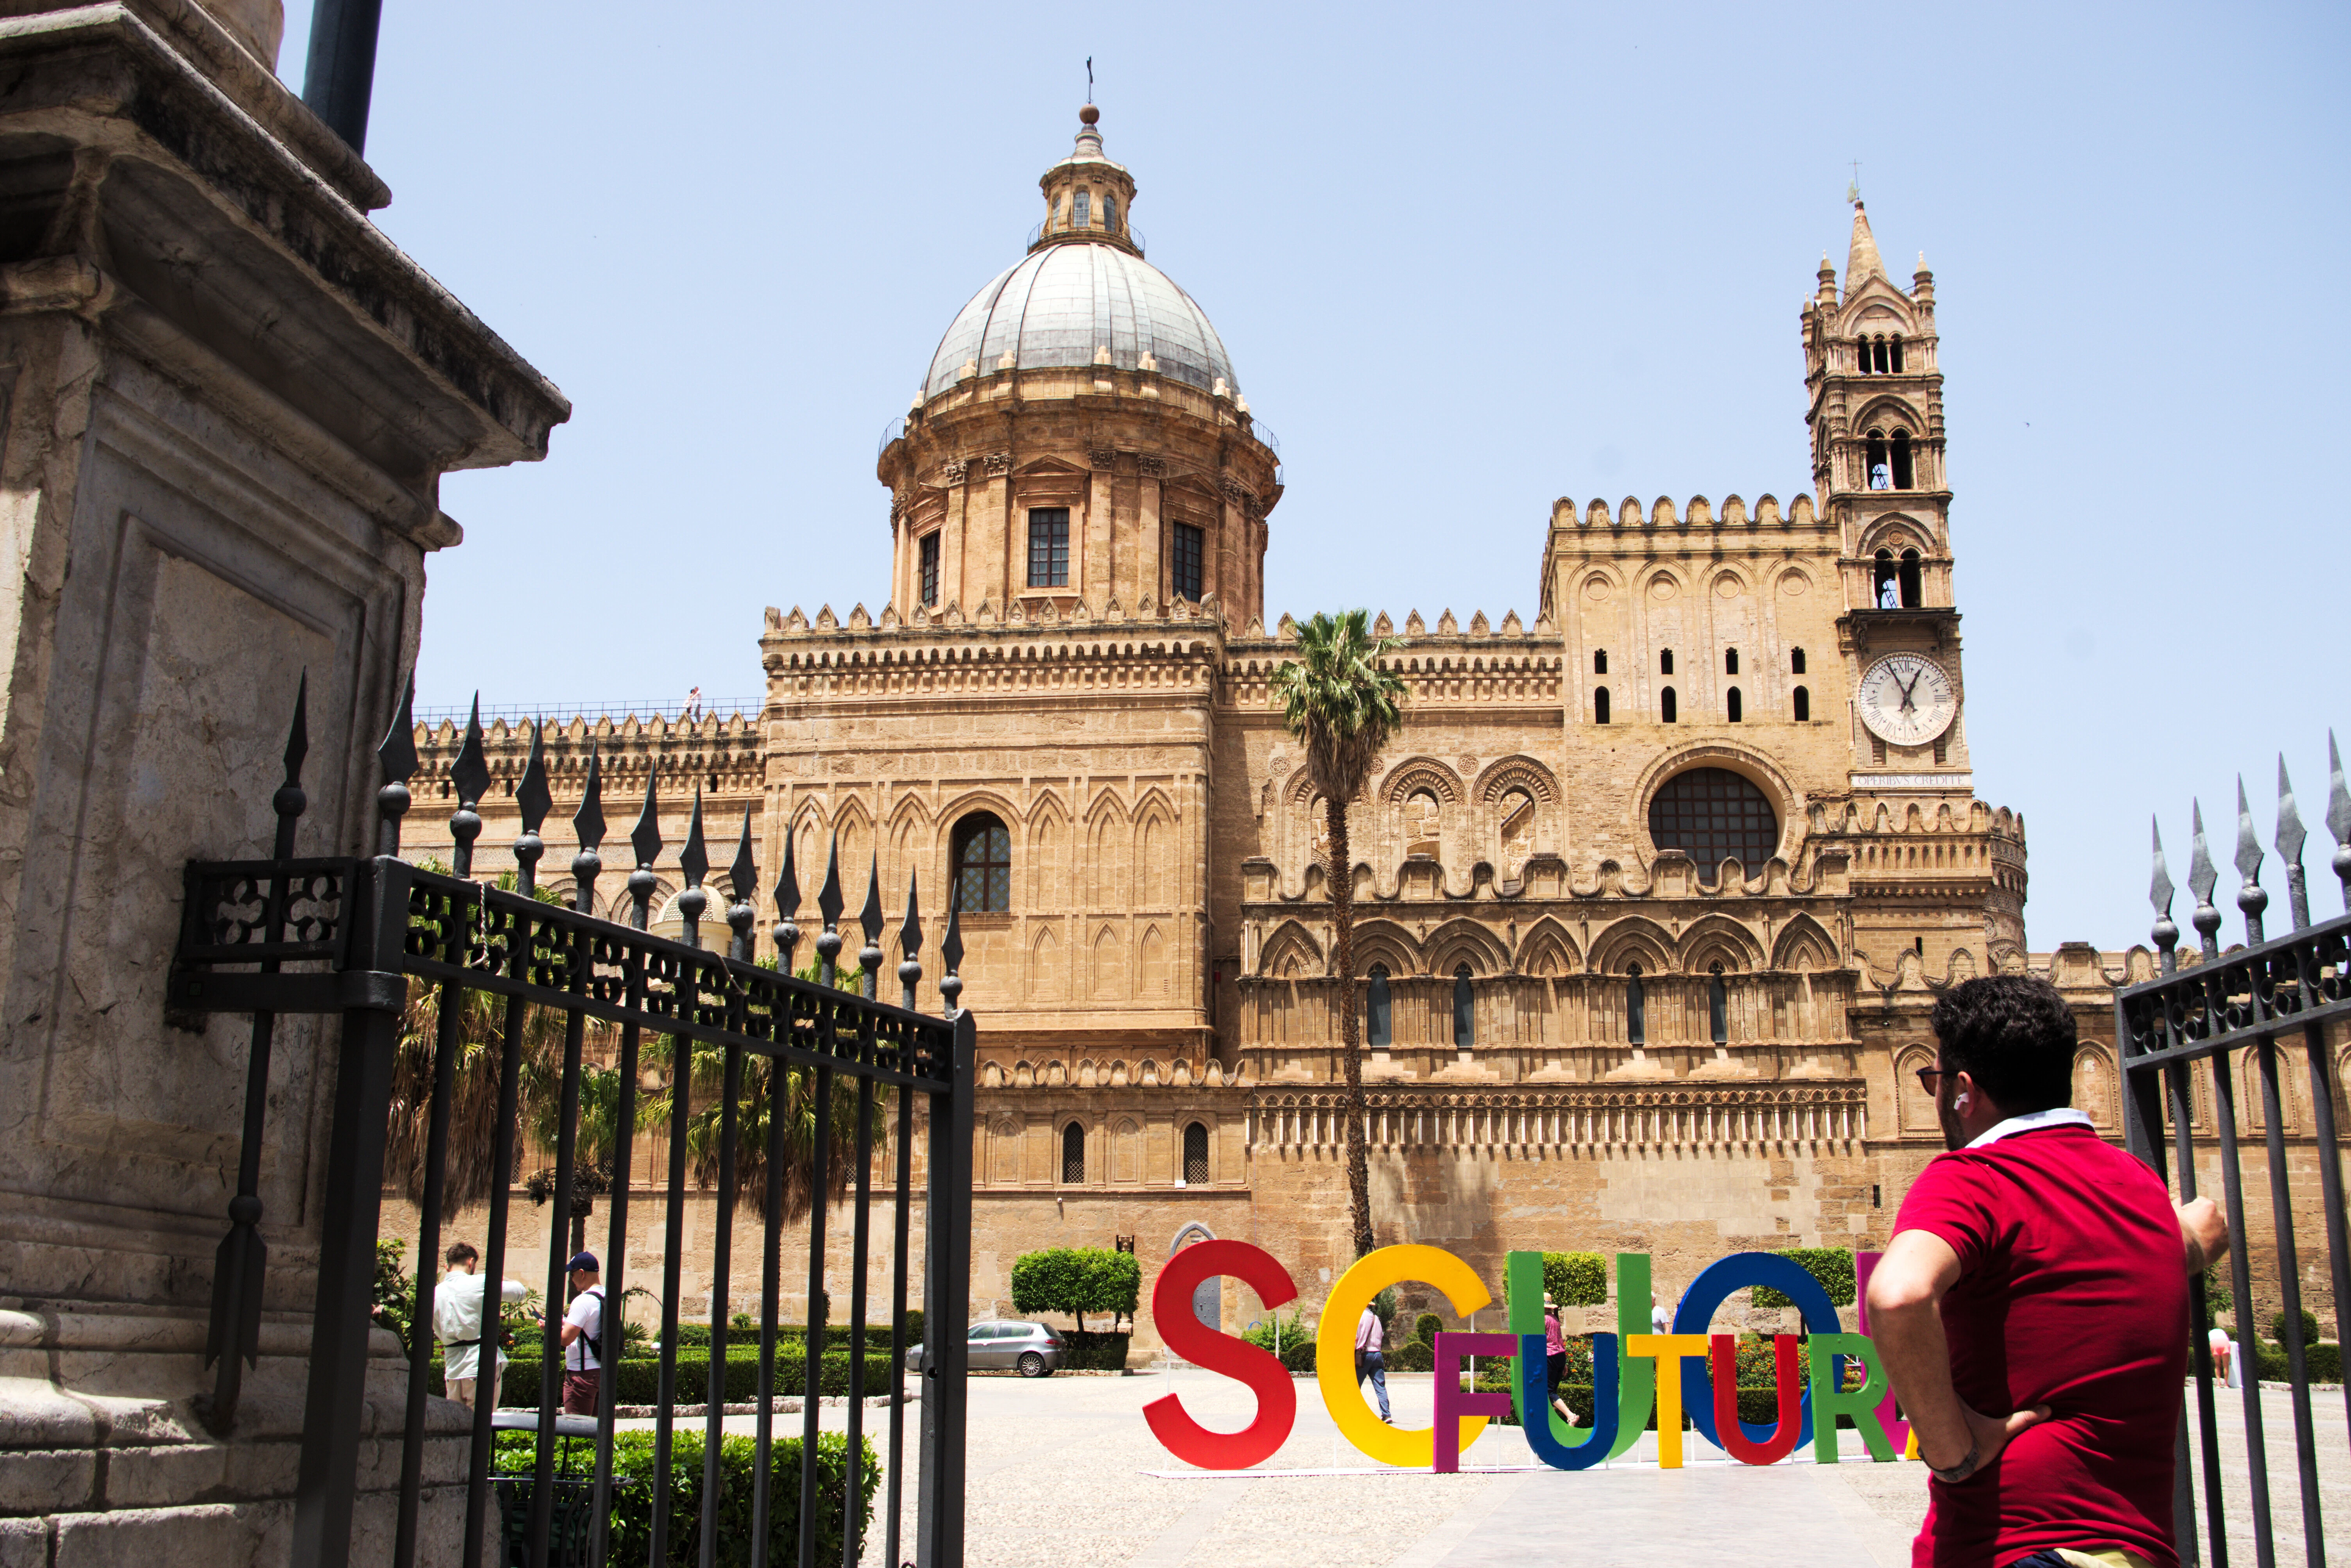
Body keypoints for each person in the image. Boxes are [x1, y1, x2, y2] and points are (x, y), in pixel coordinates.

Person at [1866, 975, 2230, 1568]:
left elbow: (1898, 1296)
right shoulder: (2135, 1185)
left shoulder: (1974, 1179)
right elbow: (2201, 1225)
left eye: (1933, 1081)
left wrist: (1953, 1450)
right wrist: (2187, 1240)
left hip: (2016, 1545)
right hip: (2135, 1550)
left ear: (1963, 1090)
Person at [432, 1241, 525, 1409]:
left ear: (447, 1266)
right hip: (481, 1363)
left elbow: (438, 1330)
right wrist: (502, 1278)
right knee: (484, 1423)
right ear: (471, 1262)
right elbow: (520, 1293)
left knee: (456, 1425)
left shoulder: (435, 1292)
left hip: (453, 1367)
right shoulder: (481, 1282)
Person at [545, 1252, 605, 1416]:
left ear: (582, 1273)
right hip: (602, 1372)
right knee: (596, 1431)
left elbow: (565, 1339)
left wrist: (549, 1329)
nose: (571, 1279)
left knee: (577, 1429)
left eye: (572, 1275)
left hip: (582, 1375)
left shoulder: (583, 1301)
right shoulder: (607, 1296)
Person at [1355, 1300, 1391, 1425]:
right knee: (1380, 1386)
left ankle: (1355, 1412)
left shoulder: (1359, 1318)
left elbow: (1356, 1339)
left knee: (1355, 1386)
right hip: (1377, 1354)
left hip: (1364, 1356)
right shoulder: (1377, 1319)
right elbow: (1381, 1336)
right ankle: (1386, 1415)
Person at [1542, 1294, 1569, 1421]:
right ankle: (1551, 1421)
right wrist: (1564, 1364)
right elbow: (1559, 1339)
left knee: (1549, 1392)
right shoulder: (1554, 1319)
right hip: (1560, 1356)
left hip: (1551, 1357)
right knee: (1552, 1392)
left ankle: (1571, 1416)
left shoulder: (1543, 1320)